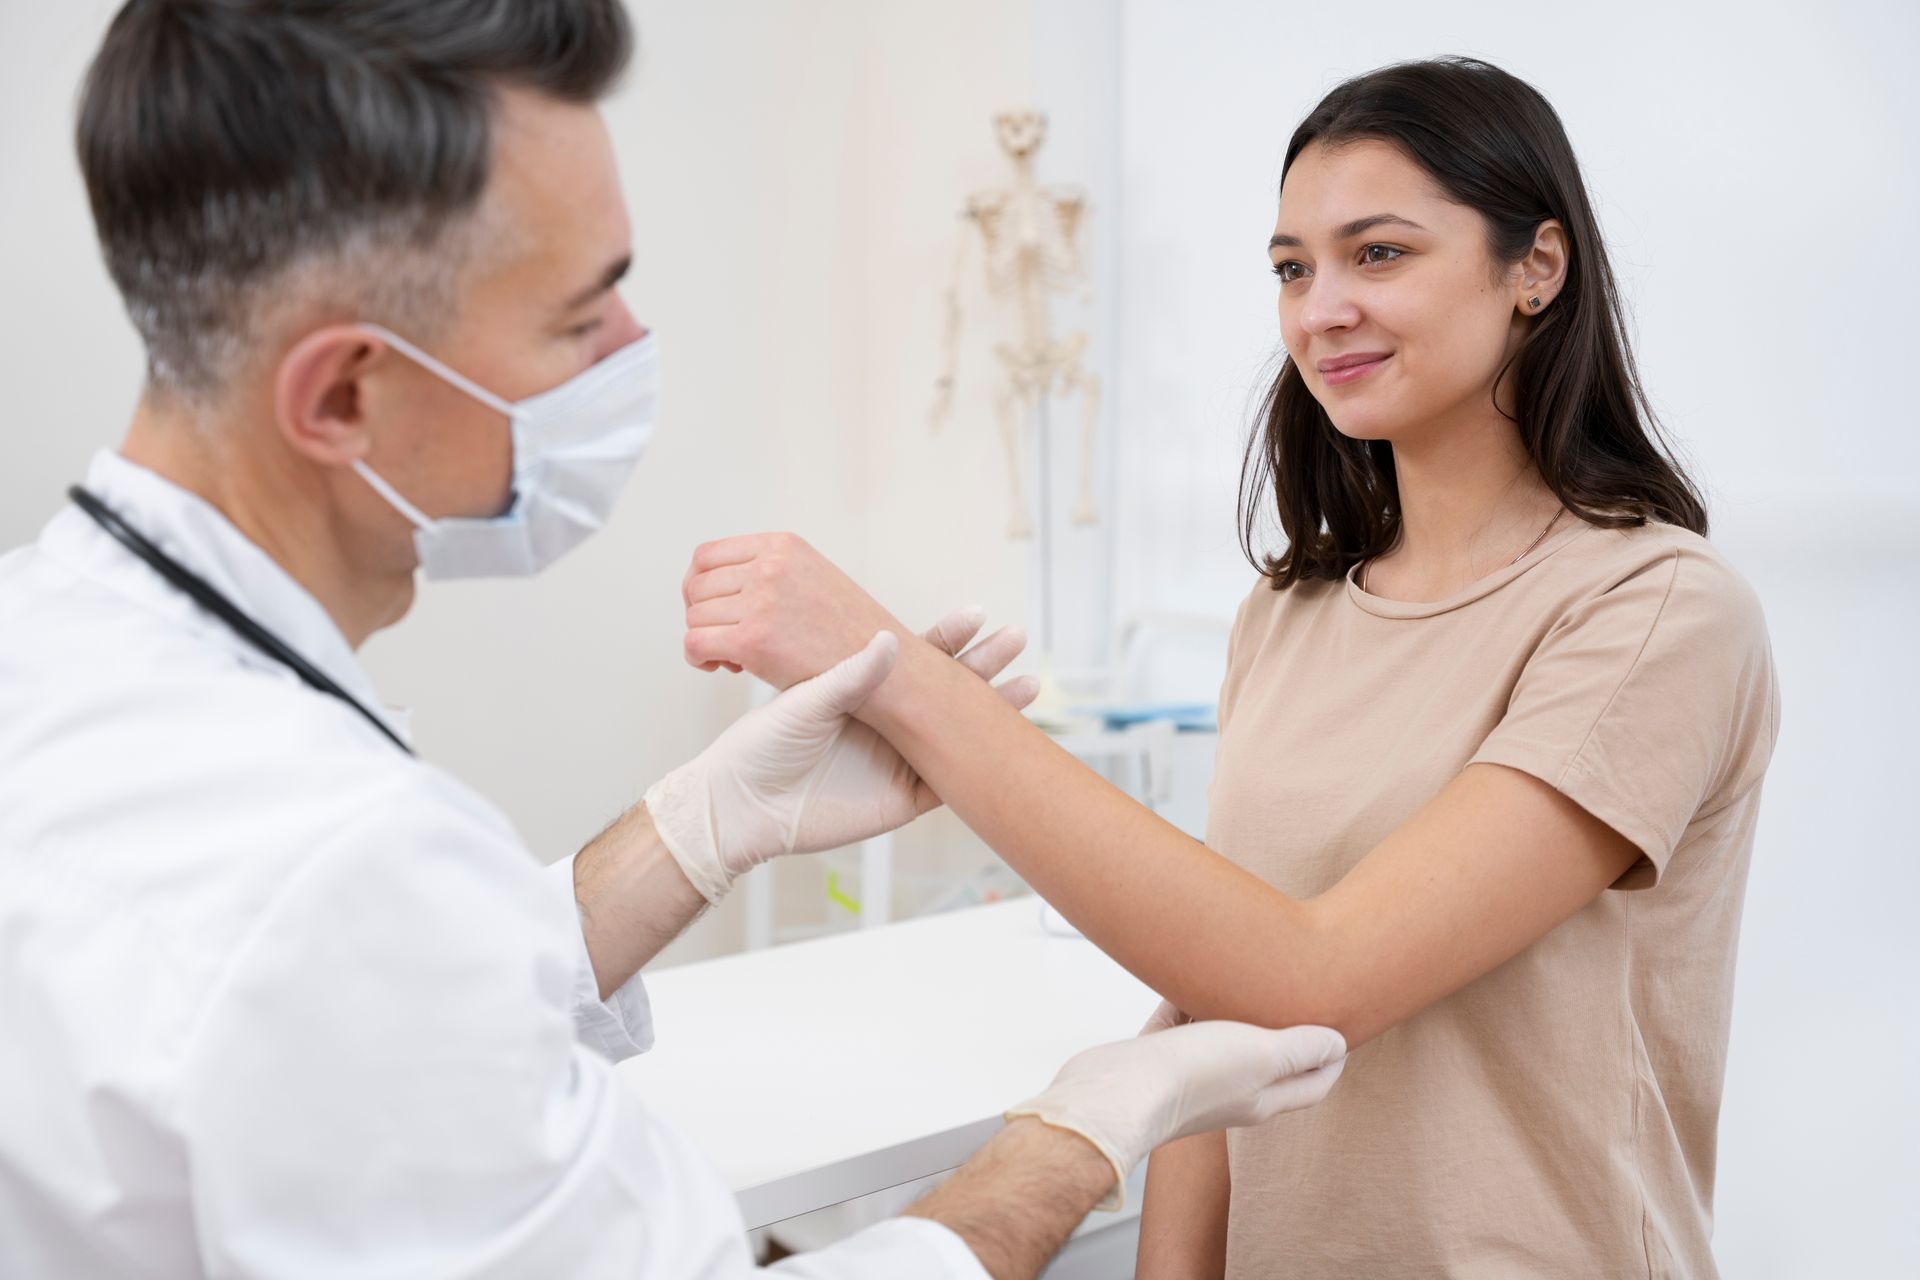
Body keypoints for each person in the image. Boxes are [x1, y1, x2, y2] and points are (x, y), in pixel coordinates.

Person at [0, 3, 1352, 1277]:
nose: (631, 348)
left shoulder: (50, 636)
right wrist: (1082, 1130)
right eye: (580, 315)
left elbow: (351, 1016)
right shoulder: (335, 866)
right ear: (344, 392)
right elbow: (362, 960)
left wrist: (701, 825)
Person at [682, 57, 1781, 1279]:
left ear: (1537, 266)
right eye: (1291, 268)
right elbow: (1213, 1007)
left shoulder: (1655, 612)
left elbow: (1312, 977)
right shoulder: (1293, 610)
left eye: (1380, 253)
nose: (1319, 310)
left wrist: (896, 675)